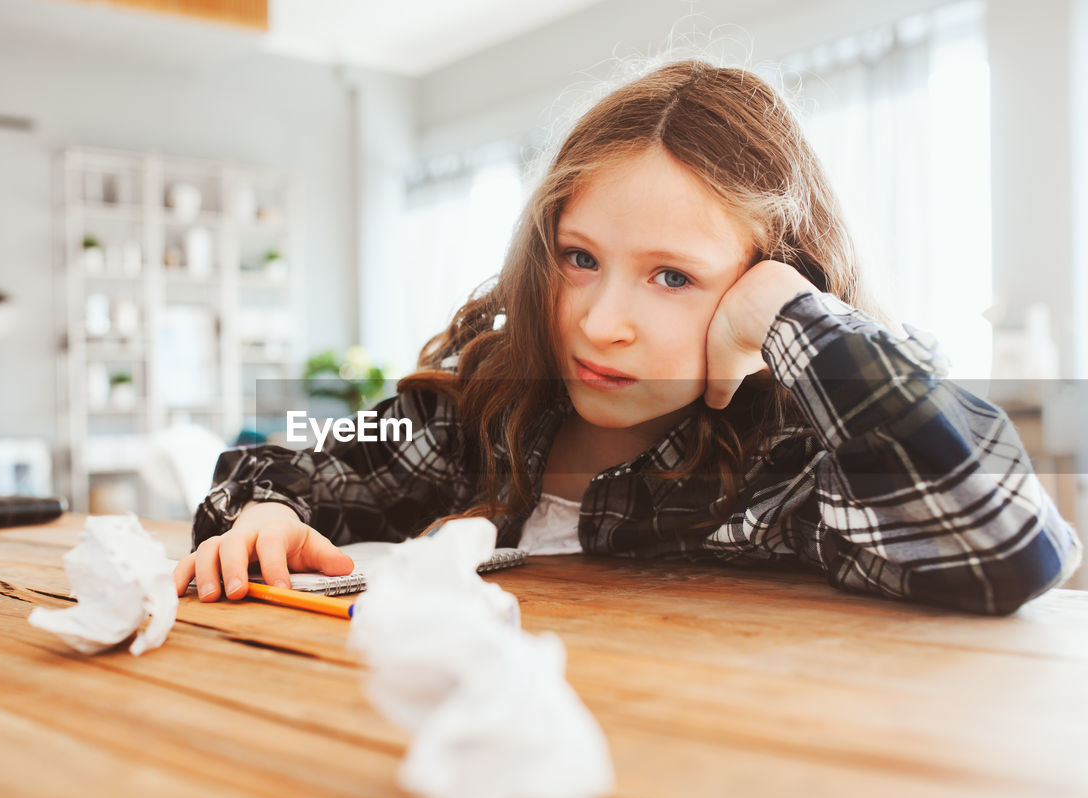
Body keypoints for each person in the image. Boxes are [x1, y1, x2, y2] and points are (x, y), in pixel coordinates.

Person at [174, 59, 1081, 615]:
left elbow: (1003, 543)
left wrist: (783, 312)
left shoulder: (794, 463)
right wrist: (267, 512)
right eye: (579, 259)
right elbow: (292, 458)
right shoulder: (487, 411)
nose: (600, 323)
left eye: (673, 276)